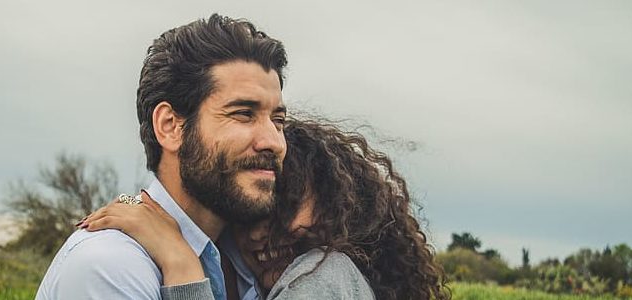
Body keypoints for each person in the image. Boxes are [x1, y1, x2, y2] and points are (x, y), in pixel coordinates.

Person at [36, 13, 288, 300]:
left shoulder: (245, 257)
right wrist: (179, 261)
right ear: (169, 126)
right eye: (243, 114)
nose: (274, 142)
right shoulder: (111, 267)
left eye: (278, 121)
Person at [83, 117, 451, 299]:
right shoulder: (238, 267)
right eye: (252, 214)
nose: (260, 232)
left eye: (283, 207)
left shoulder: (322, 280)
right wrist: (134, 205)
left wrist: (180, 264)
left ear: (335, 207)